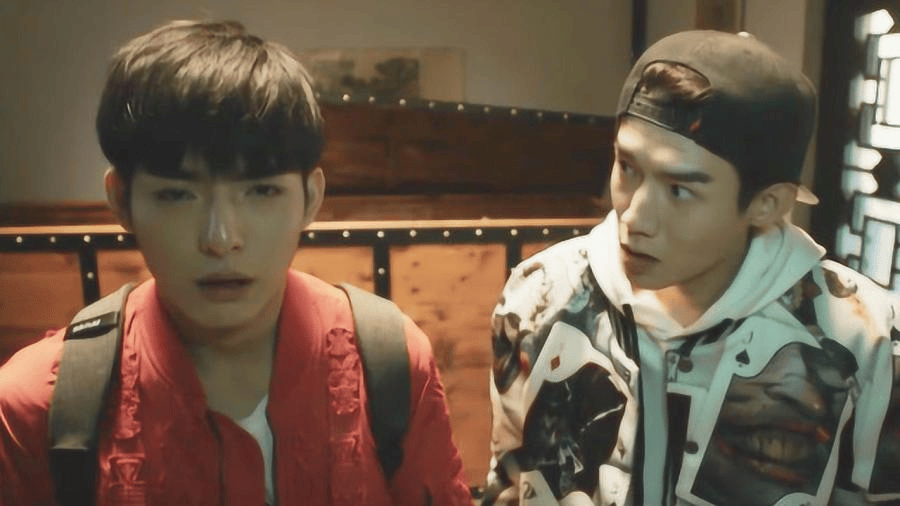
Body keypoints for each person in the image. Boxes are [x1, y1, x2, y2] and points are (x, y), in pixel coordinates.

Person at [0, 19, 472, 505]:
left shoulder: (390, 363)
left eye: (261, 191)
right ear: (122, 201)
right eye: (177, 195)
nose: (221, 239)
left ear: (310, 198)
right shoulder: (36, 404)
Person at [483, 30, 900, 505]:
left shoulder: (864, 341)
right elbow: (510, 481)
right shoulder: (541, 297)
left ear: (767, 203)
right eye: (627, 167)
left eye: (680, 190)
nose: (635, 216)